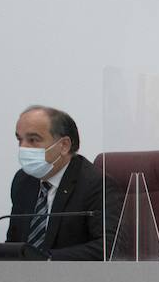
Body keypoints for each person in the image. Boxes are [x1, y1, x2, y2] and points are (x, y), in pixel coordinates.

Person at [9, 106, 123, 261]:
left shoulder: (96, 185)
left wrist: (45, 259)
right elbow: (15, 242)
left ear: (64, 146)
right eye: (20, 139)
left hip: (74, 280)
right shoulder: (23, 181)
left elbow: (109, 247)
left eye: (33, 140)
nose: (23, 147)